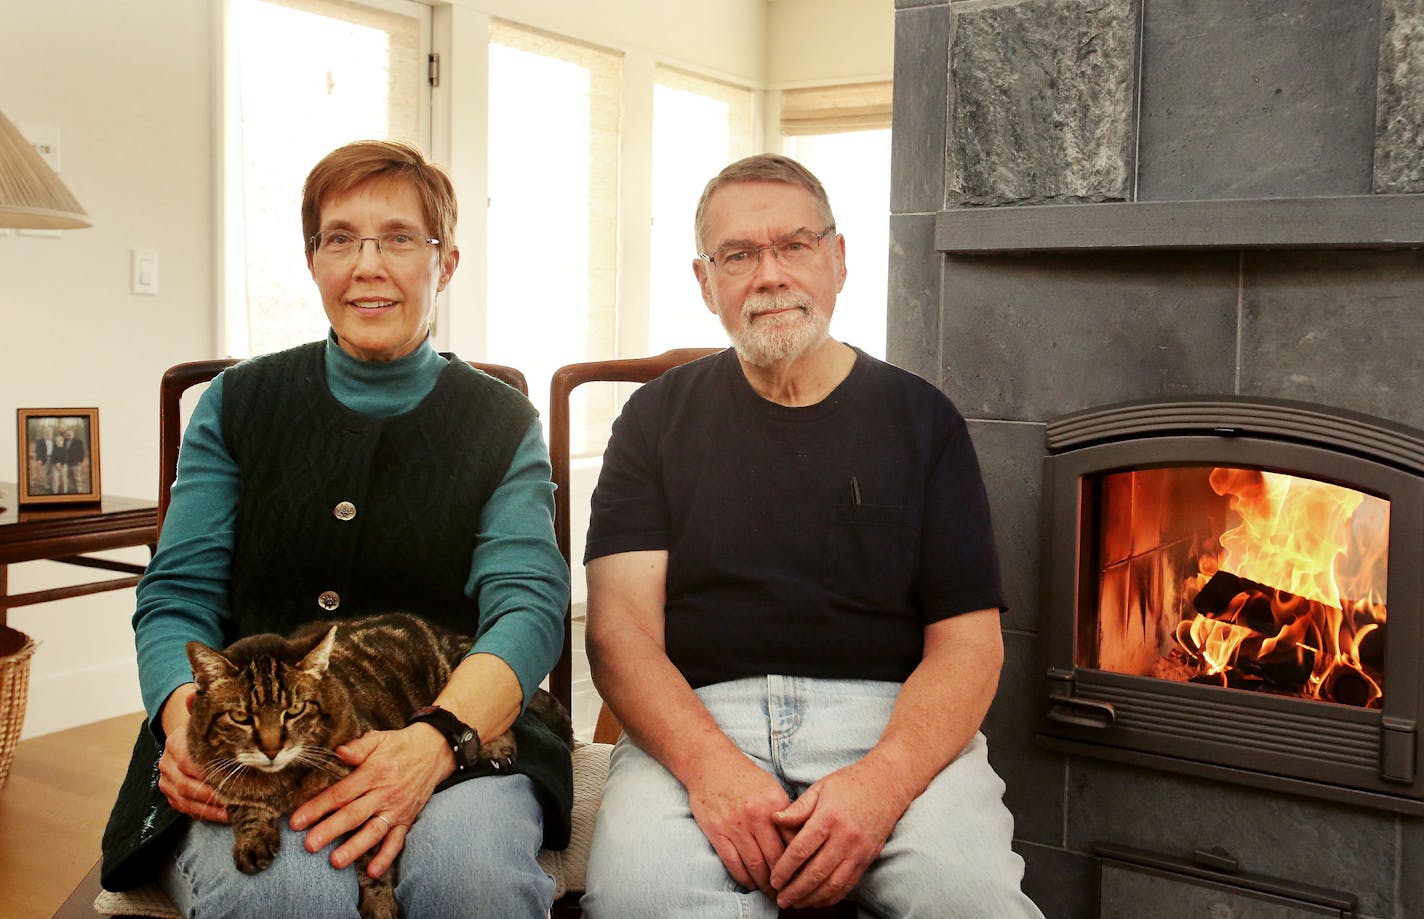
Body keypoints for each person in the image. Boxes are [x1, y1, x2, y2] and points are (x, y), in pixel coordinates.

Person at [100, 140, 572, 918]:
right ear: (314, 259)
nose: (367, 264)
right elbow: (177, 592)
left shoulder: (499, 420)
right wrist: (185, 721)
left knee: (469, 878)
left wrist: (437, 741)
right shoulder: (236, 404)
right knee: (285, 885)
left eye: (398, 238)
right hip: (253, 738)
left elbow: (526, 605)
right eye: (340, 238)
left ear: (444, 262)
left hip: (451, 726)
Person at [580, 154, 1043, 917]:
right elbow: (620, 633)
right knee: (643, 899)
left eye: (794, 244)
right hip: (698, 721)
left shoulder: (923, 421)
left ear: (838, 259)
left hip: (891, 721)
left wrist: (883, 782)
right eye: (739, 255)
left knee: (972, 901)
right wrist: (711, 771)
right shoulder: (653, 421)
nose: (769, 274)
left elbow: (969, 643)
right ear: (705, 282)